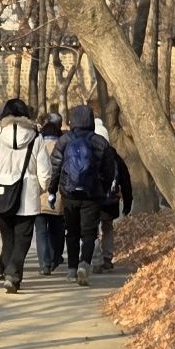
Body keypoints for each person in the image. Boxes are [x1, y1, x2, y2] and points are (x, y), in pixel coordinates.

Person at [0, 97, 52, 294]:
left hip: (3, 194)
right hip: (28, 195)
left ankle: (9, 272)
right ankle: (12, 274)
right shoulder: (36, 138)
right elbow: (45, 171)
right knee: (23, 238)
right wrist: (41, 188)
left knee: (8, 237)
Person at [47, 104, 119, 284]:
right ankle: (84, 264)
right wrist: (103, 188)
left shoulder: (64, 141)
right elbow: (109, 170)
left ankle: (72, 269)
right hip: (92, 194)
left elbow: (55, 168)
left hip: (69, 194)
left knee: (71, 232)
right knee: (89, 233)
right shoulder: (100, 142)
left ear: (72, 121)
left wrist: (52, 190)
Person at [91, 117, 133, 273]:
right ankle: (107, 258)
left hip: (93, 199)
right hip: (111, 199)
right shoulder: (115, 156)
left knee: (92, 230)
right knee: (108, 228)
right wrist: (127, 202)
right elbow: (125, 180)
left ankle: (96, 259)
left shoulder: (89, 155)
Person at [35, 112, 65, 274]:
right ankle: (55, 258)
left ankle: (44, 264)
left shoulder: (37, 146)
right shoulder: (63, 145)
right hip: (58, 194)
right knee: (57, 229)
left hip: (39, 193)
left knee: (41, 230)